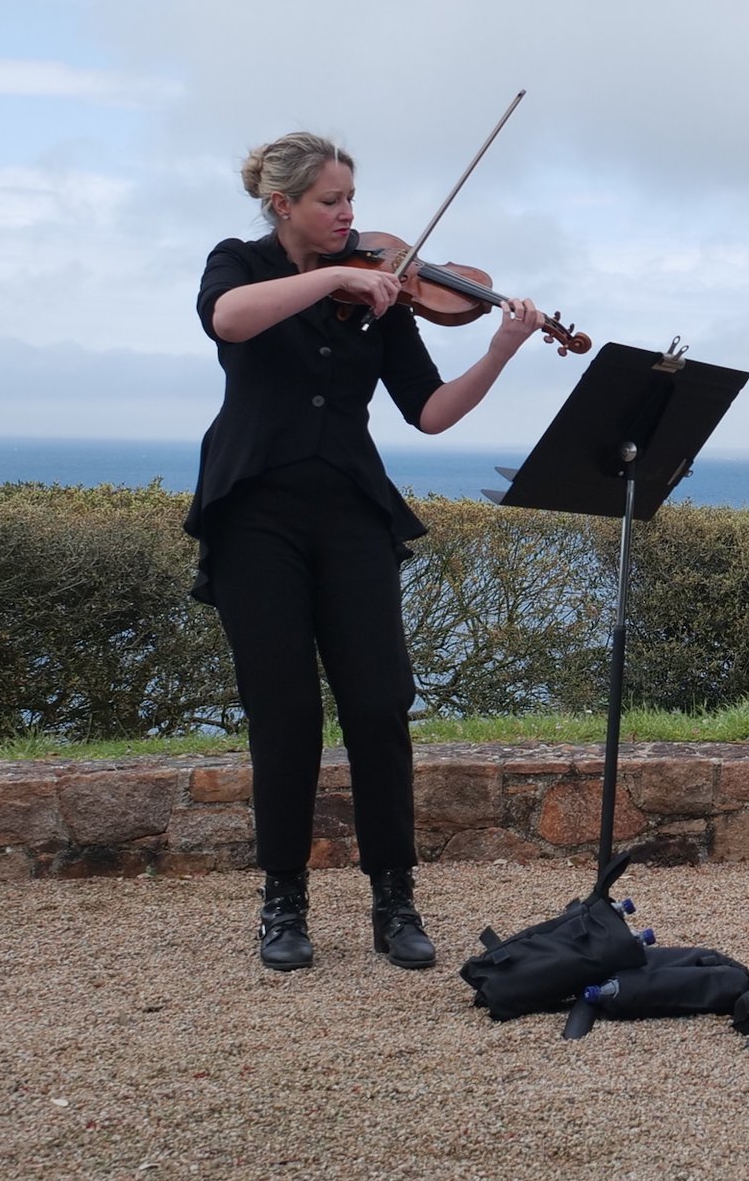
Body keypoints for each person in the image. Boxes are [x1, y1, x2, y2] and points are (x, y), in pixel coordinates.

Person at [186, 131, 546, 972]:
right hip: (254, 512)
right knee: (285, 714)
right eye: (331, 202)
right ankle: (284, 902)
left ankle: (395, 898)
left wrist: (498, 350)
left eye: (351, 199)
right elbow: (228, 322)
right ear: (284, 206)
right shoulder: (238, 262)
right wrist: (339, 274)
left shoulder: (386, 294)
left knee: (381, 705)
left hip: (352, 510)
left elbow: (429, 411)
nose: (351, 215)